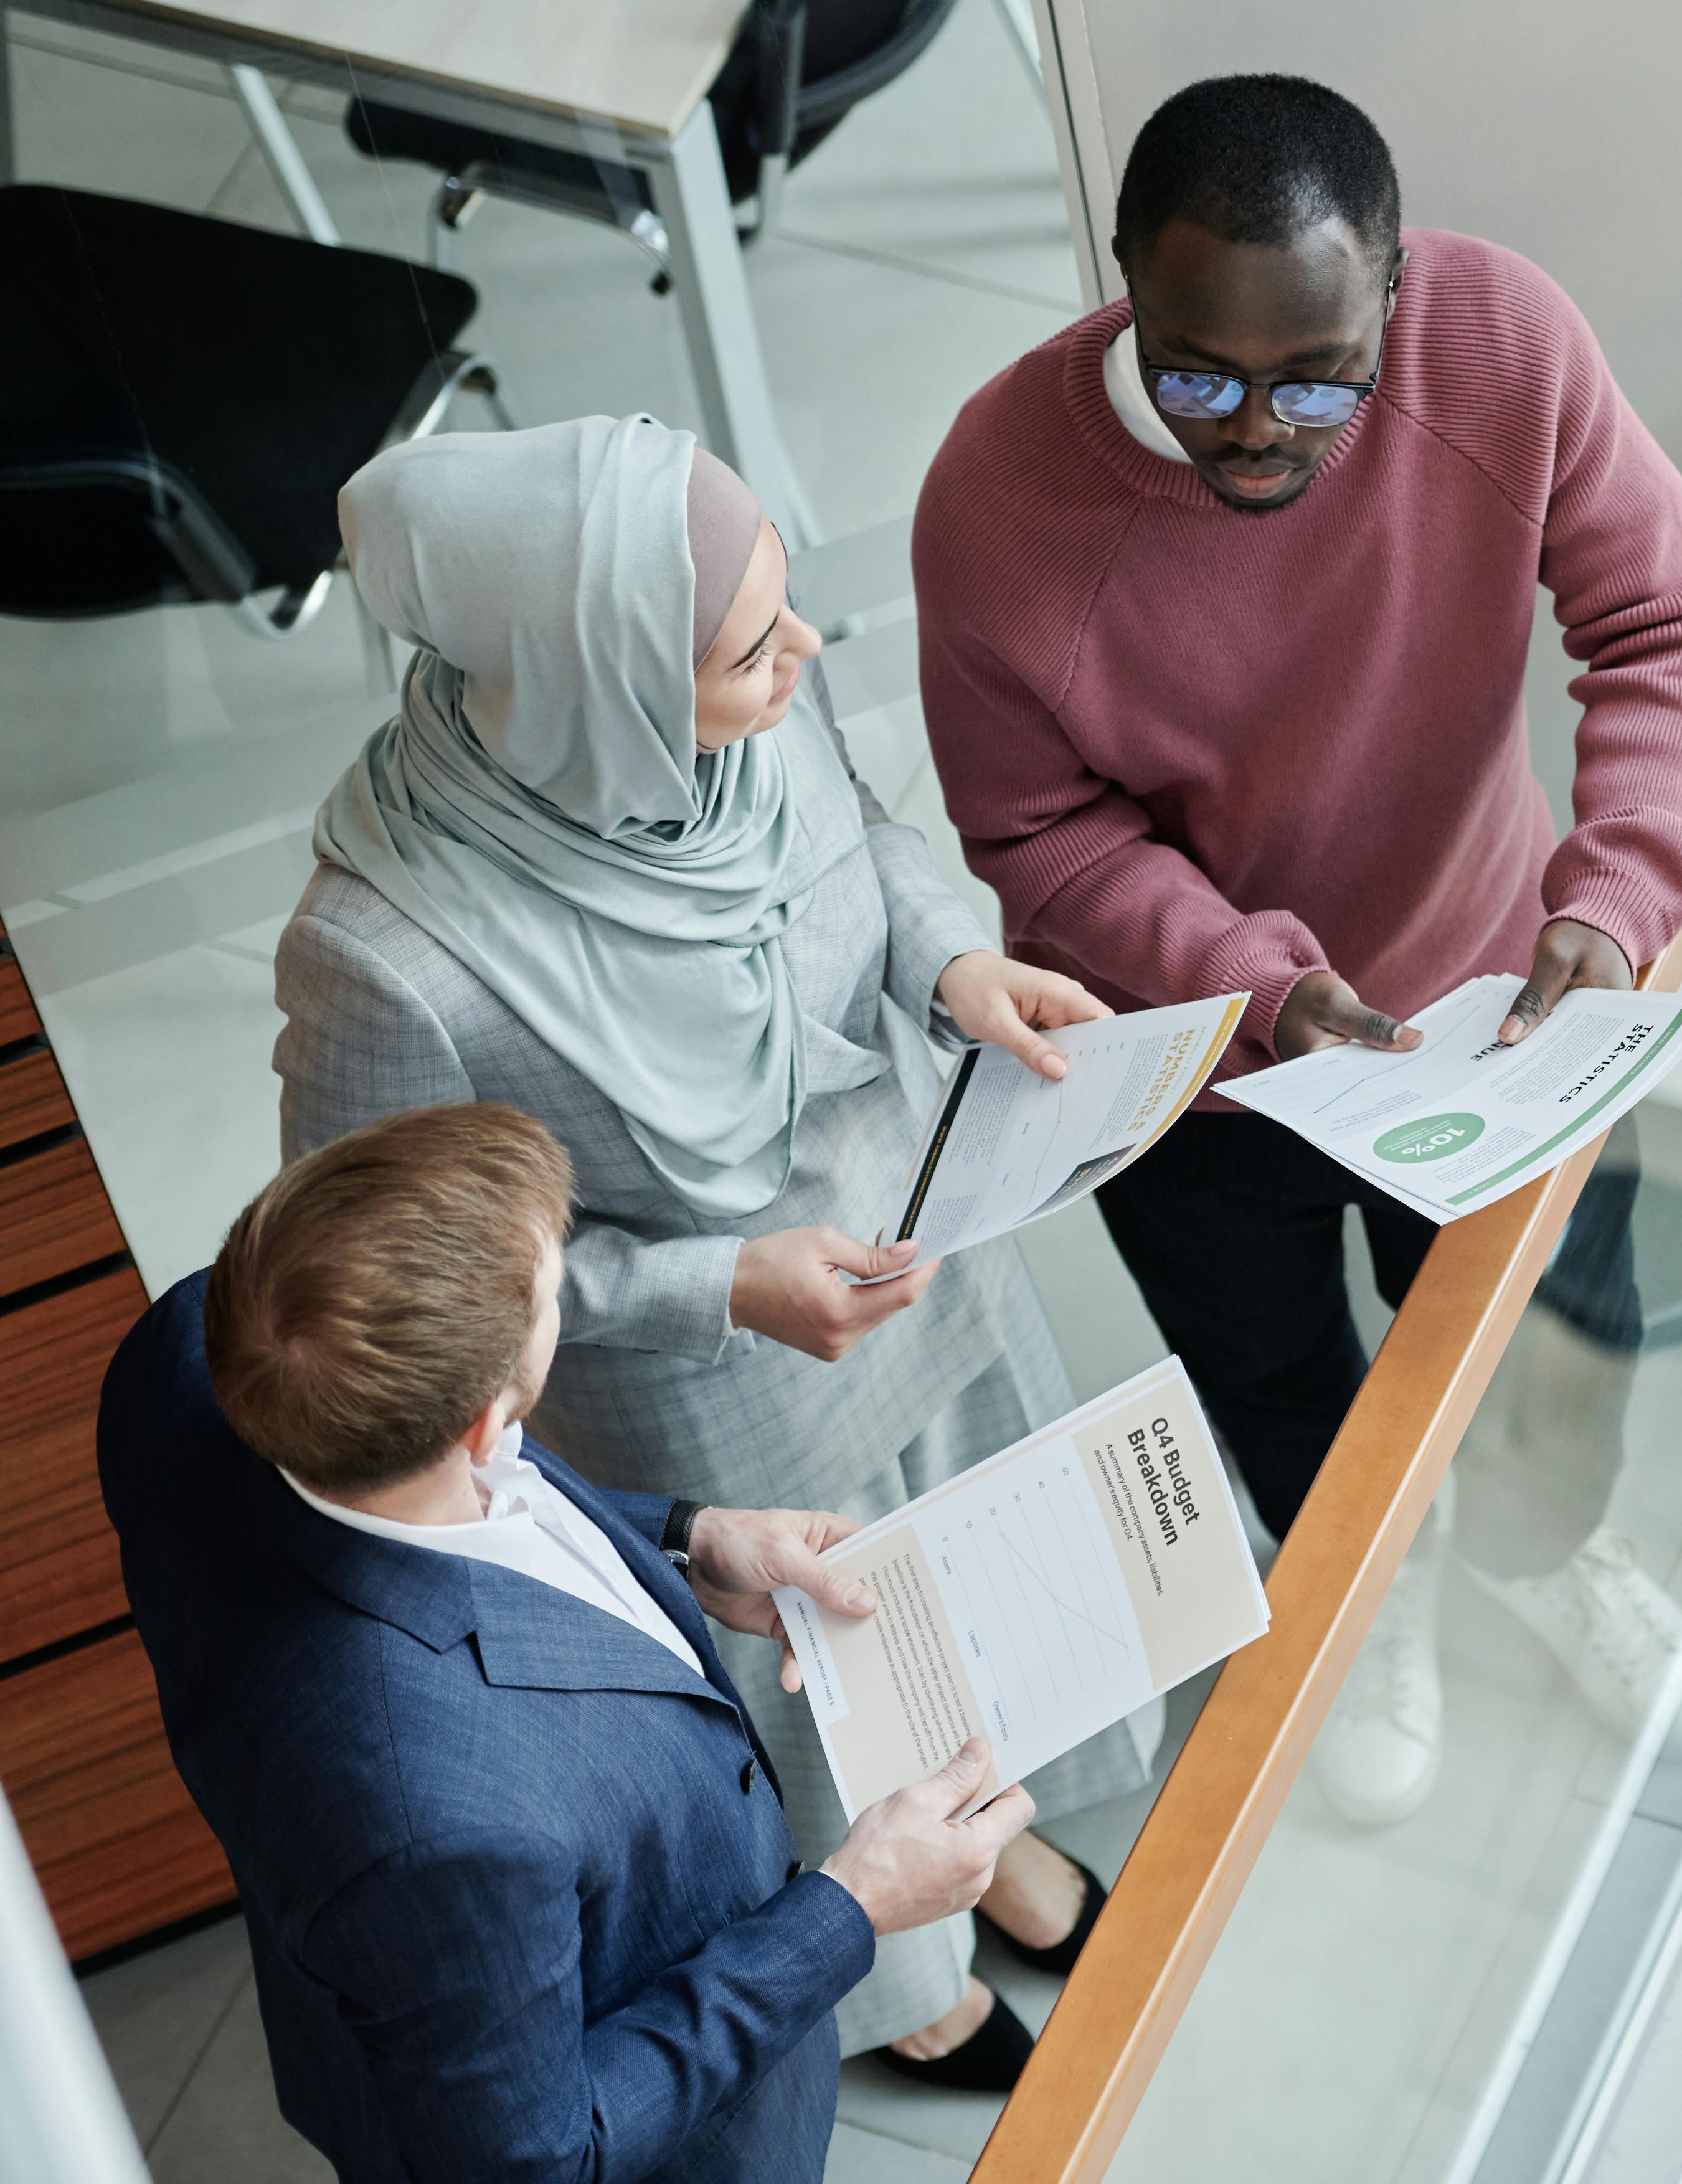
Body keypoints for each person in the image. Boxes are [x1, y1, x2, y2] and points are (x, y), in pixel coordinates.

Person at [917, 75, 1682, 1825]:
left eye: (1322, 381)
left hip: (1503, 1002)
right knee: (1282, 1378)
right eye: (1199, 369)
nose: (1258, 431)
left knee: (1562, 1333)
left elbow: (1663, 620)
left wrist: (1611, 903)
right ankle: (1378, 1586)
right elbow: (1037, 837)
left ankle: (1543, 1551)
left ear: (1393, 300)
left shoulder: (1500, 343)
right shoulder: (993, 499)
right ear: (1124, 272)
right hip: (1205, 1079)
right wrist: (1256, 977)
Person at [270, 415, 1112, 2083]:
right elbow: (377, 1294)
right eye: (747, 650)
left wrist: (951, 965)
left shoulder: (745, 720)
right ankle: (904, 1984)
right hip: (726, 1399)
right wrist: (717, 1283)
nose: (802, 654)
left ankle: (987, 1834)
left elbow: (863, 832)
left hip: (920, 1255)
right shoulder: (391, 958)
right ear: (593, 680)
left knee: (965, 1577)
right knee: (824, 1690)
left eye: (785, 613)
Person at [98, 1102, 1037, 2183]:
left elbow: (462, 1498)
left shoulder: (193, 1345)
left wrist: (689, 1540)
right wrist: (852, 1907)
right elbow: (538, 2161)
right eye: (554, 1297)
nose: (563, 1299)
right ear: (485, 1424)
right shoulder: (434, 1824)